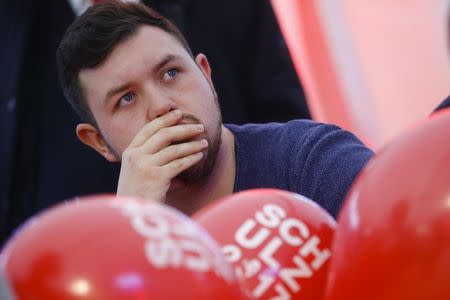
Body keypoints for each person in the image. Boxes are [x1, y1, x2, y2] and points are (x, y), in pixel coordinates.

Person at [56, 0, 373, 218]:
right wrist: (135, 229)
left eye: (170, 73)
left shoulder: (310, 160)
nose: (161, 106)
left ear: (205, 74)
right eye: (126, 99)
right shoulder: (108, 261)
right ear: (97, 142)